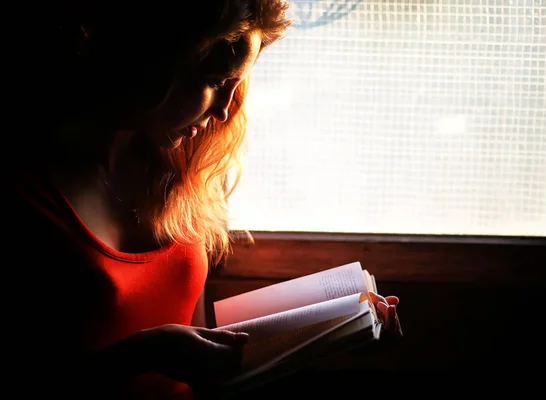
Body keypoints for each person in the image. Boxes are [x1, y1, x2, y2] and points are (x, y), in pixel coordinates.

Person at [8, 1, 401, 399]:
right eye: (217, 80)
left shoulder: (182, 176)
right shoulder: (24, 191)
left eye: (236, 85)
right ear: (157, 65)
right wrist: (137, 356)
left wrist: (340, 330)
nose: (226, 109)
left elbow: (196, 341)